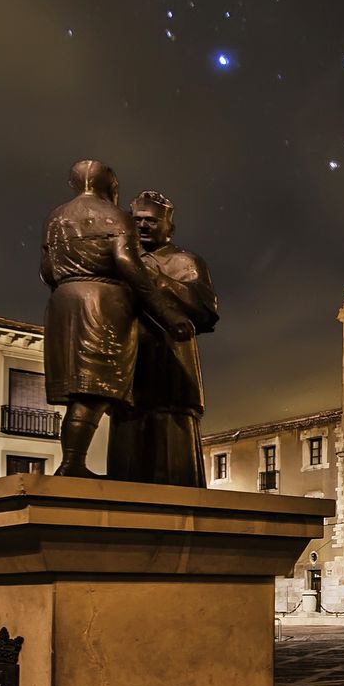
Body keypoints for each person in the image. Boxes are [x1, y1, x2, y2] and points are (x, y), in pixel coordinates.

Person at [39, 160, 190, 476]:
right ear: (110, 185)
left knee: (79, 390)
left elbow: (47, 270)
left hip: (62, 303)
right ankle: (73, 464)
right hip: (101, 302)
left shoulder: (54, 217)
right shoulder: (115, 215)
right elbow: (128, 264)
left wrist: (70, 281)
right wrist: (167, 313)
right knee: (94, 387)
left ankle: (72, 460)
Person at [108, 191, 219, 485]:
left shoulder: (186, 261)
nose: (143, 226)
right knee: (127, 442)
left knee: (174, 445)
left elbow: (205, 307)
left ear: (168, 227)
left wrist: (153, 279)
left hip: (173, 364)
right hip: (130, 364)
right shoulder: (117, 262)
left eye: (151, 221)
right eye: (137, 220)